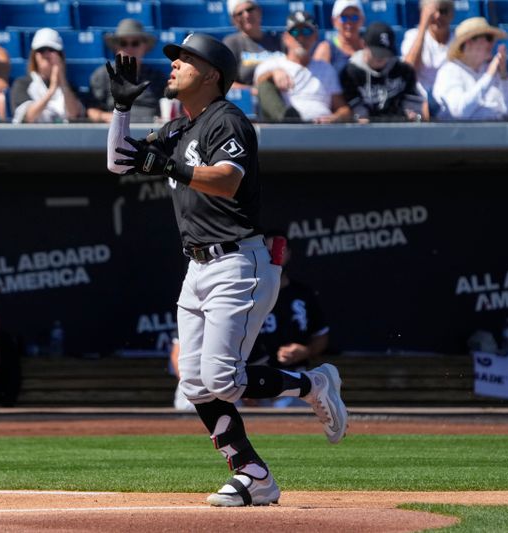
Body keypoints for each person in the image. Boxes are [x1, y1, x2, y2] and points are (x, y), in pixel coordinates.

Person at [105, 33, 348, 507]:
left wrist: (169, 165)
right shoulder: (178, 126)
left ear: (212, 73)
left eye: (185, 60)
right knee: (194, 383)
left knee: (222, 381)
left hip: (238, 261)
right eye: (174, 60)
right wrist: (120, 111)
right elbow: (118, 162)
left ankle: (312, 382)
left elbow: (226, 179)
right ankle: (253, 474)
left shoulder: (228, 120)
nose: (173, 66)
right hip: (196, 267)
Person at [251, 232, 329, 408]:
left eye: (280, 249)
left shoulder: (302, 294)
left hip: (293, 378)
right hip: (251, 378)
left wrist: (306, 351)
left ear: (289, 254)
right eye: (268, 250)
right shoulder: (247, 293)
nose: (274, 254)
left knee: (288, 404)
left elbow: (321, 336)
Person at [254, 11, 352, 123]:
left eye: (306, 31)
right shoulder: (272, 64)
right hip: (288, 128)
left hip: (322, 127)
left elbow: (342, 108)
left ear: (315, 36)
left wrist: (335, 118)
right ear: (286, 38)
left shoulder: (326, 68)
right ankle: (290, 121)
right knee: (266, 85)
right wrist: (273, 73)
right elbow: (258, 86)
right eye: (295, 32)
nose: (301, 38)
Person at [432, 17, 508, 121]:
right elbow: (458, 112)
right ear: (469, 42)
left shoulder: (490, 71)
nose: (492, 44)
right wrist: (488, 77)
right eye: (488, 38)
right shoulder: (449, 72)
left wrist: (504, 76)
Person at [340, 21, 425, 122]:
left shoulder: (403, 70)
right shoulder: (351, 72)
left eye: (385, 53)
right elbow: (353, 106)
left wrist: (412, 112)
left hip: (399, 126)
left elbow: (412, 100)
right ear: (364, 45)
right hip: (366, 129)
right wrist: (361, 115)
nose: (381, 57)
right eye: (376, 52)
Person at [87, 19, 167, 123]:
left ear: (144, 47)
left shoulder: (157, 77)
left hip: (150, 133)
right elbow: (91, 110)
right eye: (123, 43)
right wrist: (105, 116)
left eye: (135, 43)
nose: (129, 48)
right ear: (116, 47)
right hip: (116, 130)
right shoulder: (103, 75)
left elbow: (168, 107)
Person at [10, 28, 84, 124]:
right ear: (34, 56)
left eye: (52, 50)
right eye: (41, 50)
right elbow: (29, 117)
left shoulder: (70, 86)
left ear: (60, 55)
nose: (46, 54)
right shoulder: (22, 84)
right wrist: (51, 90)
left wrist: (62, 81)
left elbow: (74, 115)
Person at [401, 0, 454, 114]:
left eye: (443, 11)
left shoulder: (459, 40)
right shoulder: (412, 36)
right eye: (433, 12)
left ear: (452, 14)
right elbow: (407, 72)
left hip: (451, 103)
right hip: (420, 103)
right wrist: (423, 25)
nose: (438, 16)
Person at [222, 0, 283, 89]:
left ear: (259, 11)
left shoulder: (277, 40)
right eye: (239, 13)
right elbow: (226, 83)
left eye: (250, 9)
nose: (246, 15)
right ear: (234, 20)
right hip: (250, 98)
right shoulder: (232, 43)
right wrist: (253, 92)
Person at [313, 0, 365, 74]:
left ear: (362, 19)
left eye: (354, 17)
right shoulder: (326, 50)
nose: (349, 22)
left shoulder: (369, 47)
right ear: (334, 21)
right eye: (344, 18)